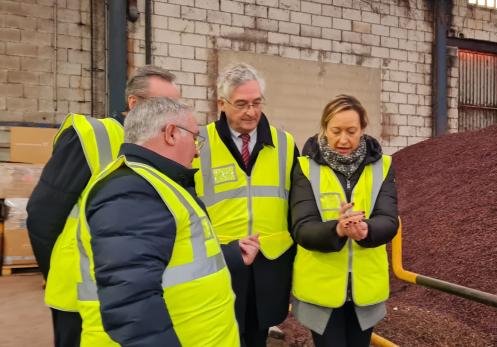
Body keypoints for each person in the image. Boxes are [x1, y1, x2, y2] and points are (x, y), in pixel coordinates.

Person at [26, 65, 180, 347]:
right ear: (133, 104)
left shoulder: (162, 148)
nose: (172, 116)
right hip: (81, 296)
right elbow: (42, 215)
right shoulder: (91, 137)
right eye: (163, 105)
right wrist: (56, 271)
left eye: (175, 106)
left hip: (136, 295)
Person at [75, 97, 247, 346]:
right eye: (195, 137)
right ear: (171, 134)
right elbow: (132, 303)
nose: (198, 150)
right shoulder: (131, 191)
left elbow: (175, 257)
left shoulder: (157, 184)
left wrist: (230, 254)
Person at [192, 63, 298, 347]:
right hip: (218, 261)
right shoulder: (198, 143)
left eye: (256, 103)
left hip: (268, 264)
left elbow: (296, 206)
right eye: (241, 104)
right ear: (222, 104)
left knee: (256, 337)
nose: (251, 112)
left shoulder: (285, 144)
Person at [290, 95, 398, 347]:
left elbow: (389, 219)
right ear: (324, 128)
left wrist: (366, 230)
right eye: (335, 131)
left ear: (363, 129)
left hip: (366, 290)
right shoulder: (305, 168)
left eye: (351, 131)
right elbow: (302, 227)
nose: (343, 140)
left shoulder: (383, 166)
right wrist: (337, 229)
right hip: (321, 290)